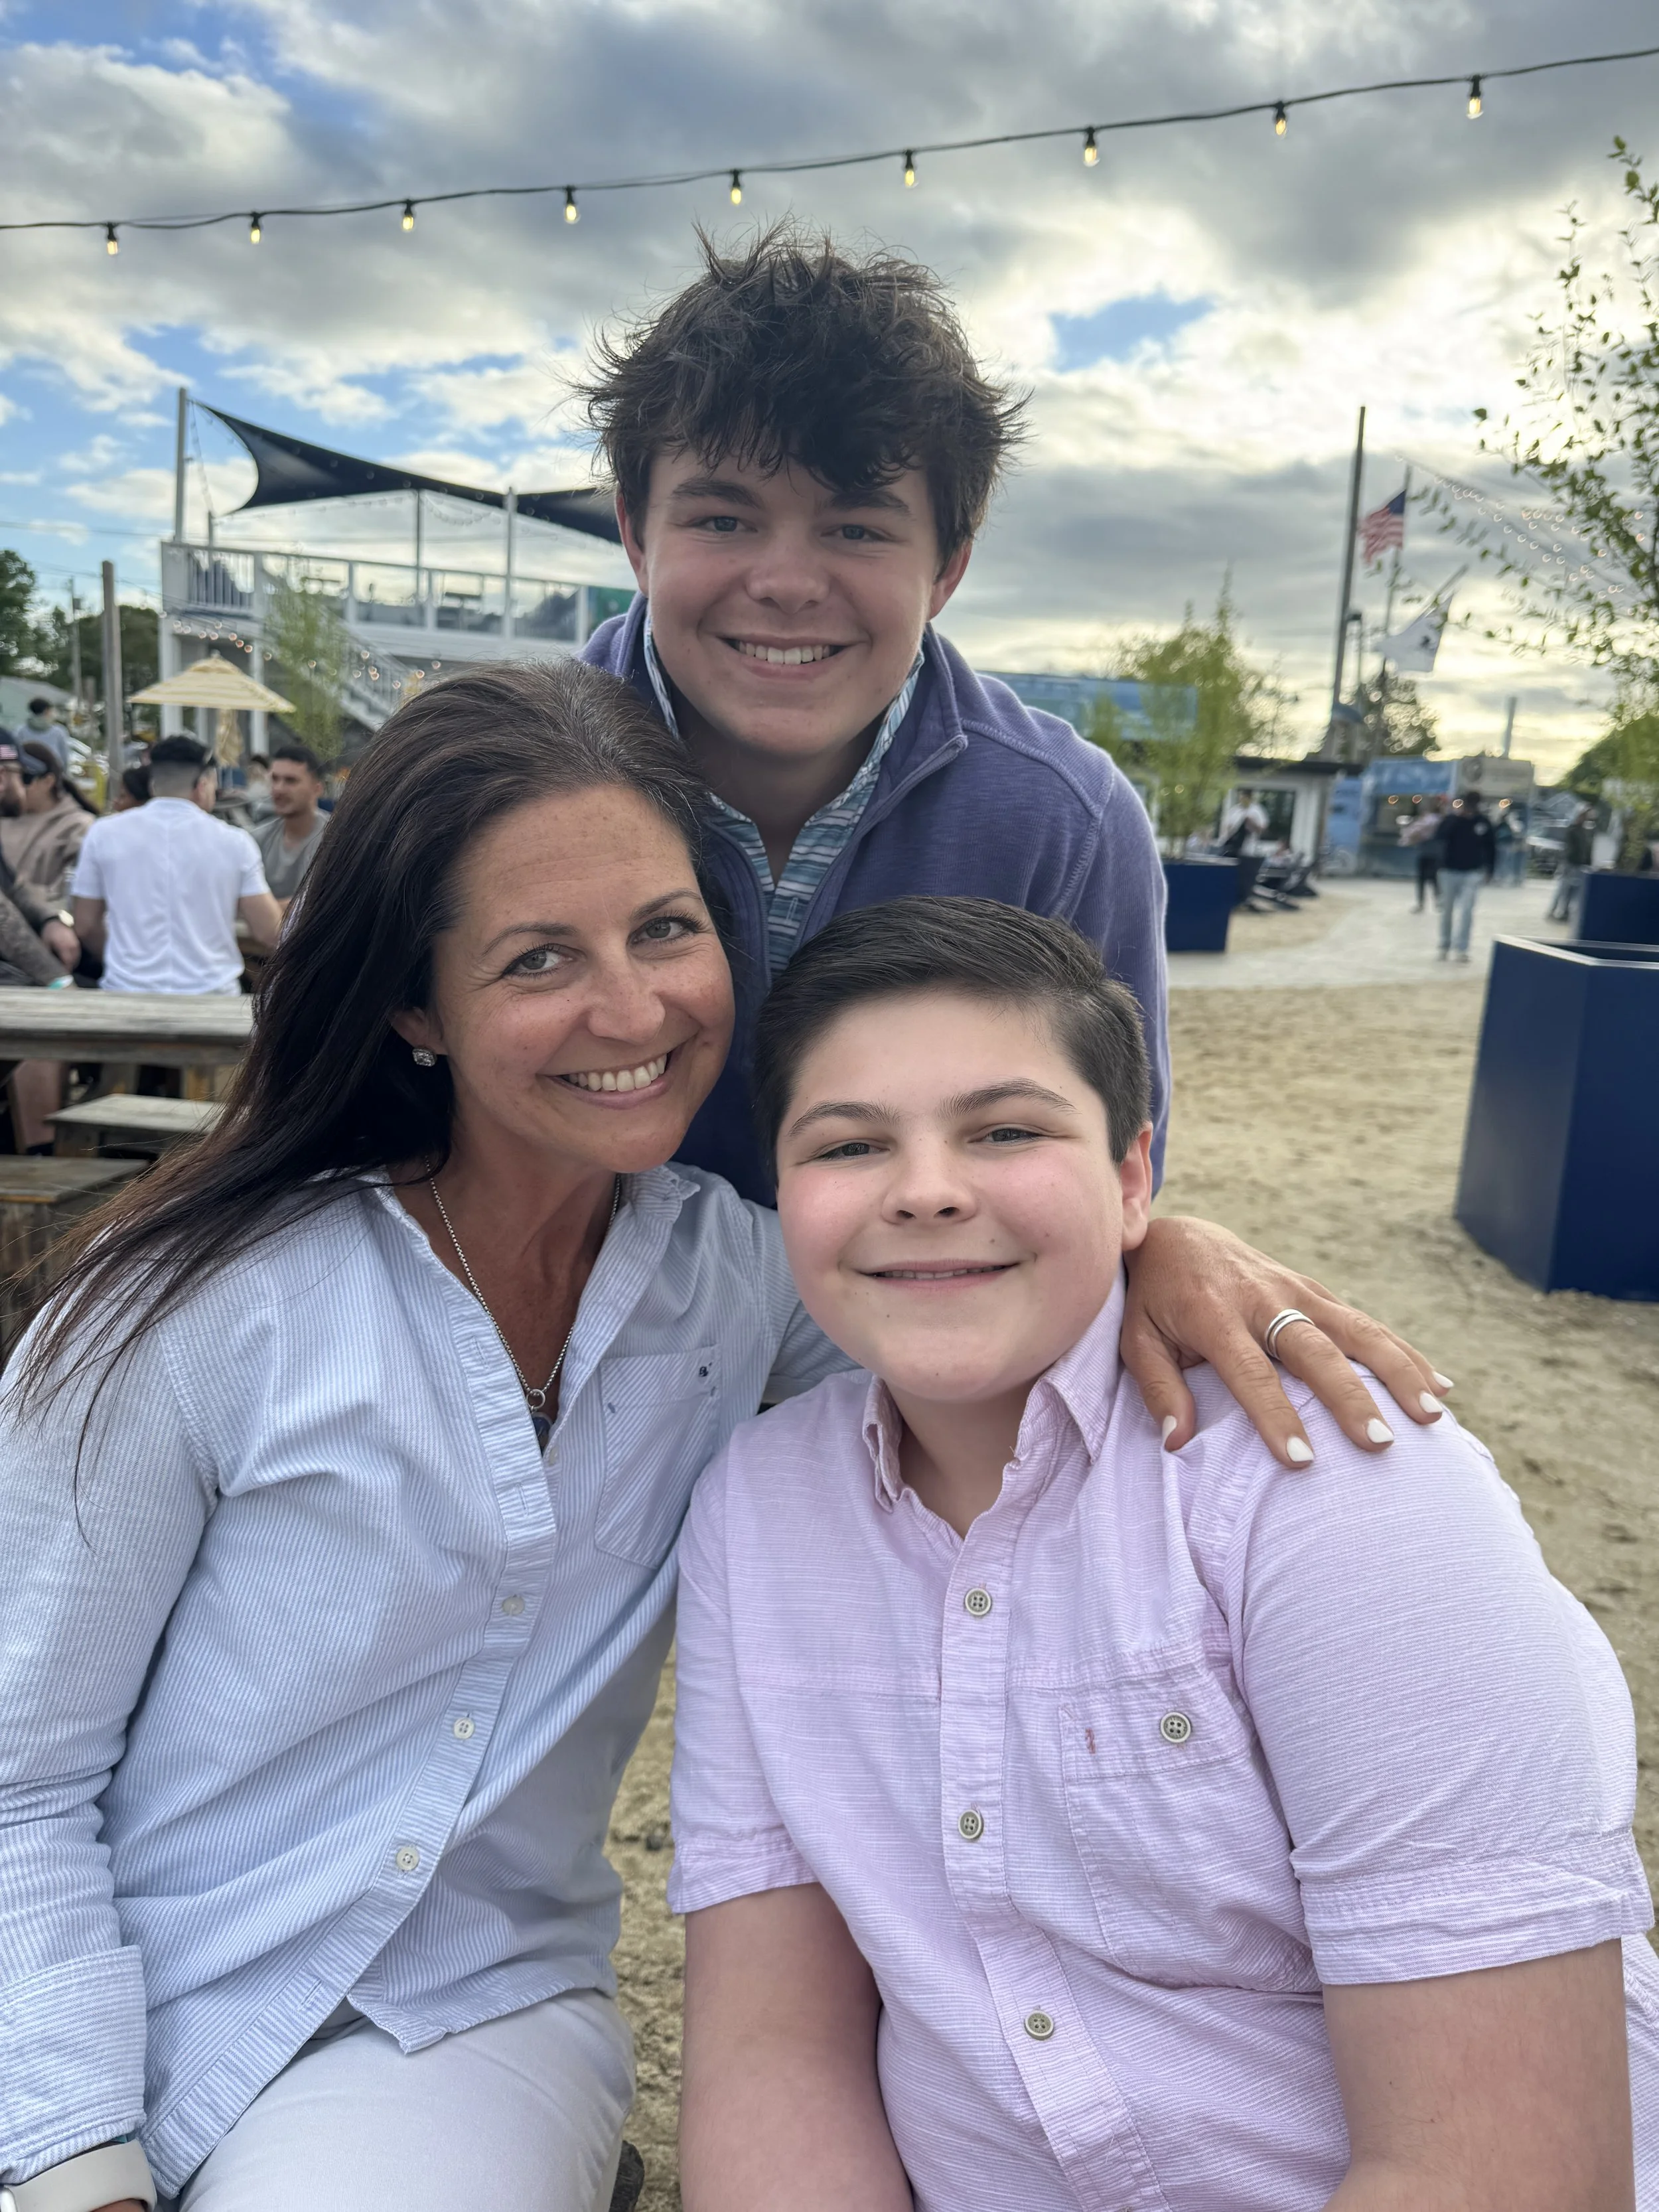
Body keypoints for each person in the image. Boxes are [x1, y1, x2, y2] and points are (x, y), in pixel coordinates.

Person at [0, 665, 1447, 2212]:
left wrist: (1156, 1237)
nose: (632, 1011)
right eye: (540, 957)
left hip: (452, 2020)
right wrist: (77, 2153)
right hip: (98, 1965)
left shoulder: (745, 1284)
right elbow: (20, 1774)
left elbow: (997, 1341)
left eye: (667, 930)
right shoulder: (194, 1308)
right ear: (418, 1002)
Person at [671, 897, 1658, 2212]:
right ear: (781, 1192)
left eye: (1005, 1129)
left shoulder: (1337, 1490)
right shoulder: (756, 1510)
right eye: (848, 1144)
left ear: (1133, 1175)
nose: (925, 1187)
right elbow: (772, 2049)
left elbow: (1497, 2168)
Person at [575, 229, 1454, 1459]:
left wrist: (1157, 1236)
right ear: (633, 528)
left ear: (952, 562)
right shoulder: (506, 786)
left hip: (912, 1356)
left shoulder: (1065, 819)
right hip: (565, 1344)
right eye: (723, 516)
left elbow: (1103, 1153)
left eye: (859, 528)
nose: (785, 580)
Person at [70, 735, 281, 994]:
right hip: (212, 996)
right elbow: (268, 931)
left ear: (153, 783)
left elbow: (85, 924)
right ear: (202, 785)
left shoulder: (103, 834)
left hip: (126, 993)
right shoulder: (235, 843)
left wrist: (123, 958)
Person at [2, 738, 95, 904]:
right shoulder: (5, 818)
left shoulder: (79, 827)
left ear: (48, 781)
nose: (17, 786)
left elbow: (70, 894)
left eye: (26, 778)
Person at [251, 741, 329, 905]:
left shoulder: (336, 839)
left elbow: (324, 904)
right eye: (275, 779)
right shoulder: (256, 840)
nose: (278, 789)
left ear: (317, 789)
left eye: (291, 781)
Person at [1436, 790, 1494, 963]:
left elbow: (1491, 847)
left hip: (1472, 872)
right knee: (1447, 910)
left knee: (1467, 910)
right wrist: (1457, 818)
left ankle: (1462, 948)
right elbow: (1440, 836)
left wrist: (1490, 869)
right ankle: (1444, 945)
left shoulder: (1483, 822)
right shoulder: (1452, 820)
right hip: (1449, 870)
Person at [1550, 802, 1595, 922]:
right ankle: (1554, 910)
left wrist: (1587, 862)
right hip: (1570, 864)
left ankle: (1565, 912)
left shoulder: (1584, 831)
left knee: (1573, 890)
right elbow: (1570, 848)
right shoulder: (1573, 830)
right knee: (1564, 888)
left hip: (1579, 864)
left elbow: (1586, 849)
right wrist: (1571, 859)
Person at [1402, 798, 1445, 912]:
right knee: (1435, 879)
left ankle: (1421, 904)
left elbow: (1415, 833)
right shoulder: (1441, 821)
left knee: (1422, 879)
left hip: (1425, 852)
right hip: (1436, 853)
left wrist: (1408, 840)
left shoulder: (1427, 820)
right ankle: (1438, 902)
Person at [23, 694, 72, 772]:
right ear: (47, 711)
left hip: (27, 773)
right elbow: (65, 757)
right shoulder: (59, 732)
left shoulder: (20, 731)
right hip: (52, 774)